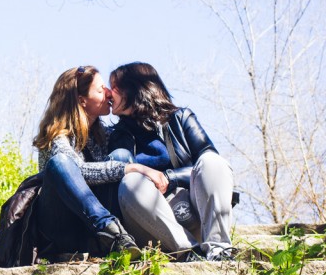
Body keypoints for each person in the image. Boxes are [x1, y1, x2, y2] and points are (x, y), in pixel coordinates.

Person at [32, 66, 168, 260]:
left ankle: (117, 238)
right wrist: (133, 168)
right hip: (62, 228)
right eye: (100, 89)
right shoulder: (58, 136)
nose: (108, 93)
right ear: (82, 101)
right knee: (60, 162)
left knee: (121, 155)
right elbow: (78, 171)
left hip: (92, 233)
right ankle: (111, 231)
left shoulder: (104, 135)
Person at [108, 62, 236, 262]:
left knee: (212, 161)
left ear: (134, 89)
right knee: (130, 181)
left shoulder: (181, 118)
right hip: (152, 225)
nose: (108, 93)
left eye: (114, 87)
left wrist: (169, 178)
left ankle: (219, 250)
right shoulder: (115, 137)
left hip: (193, 208)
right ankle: (189, 253)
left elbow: (208, 162)